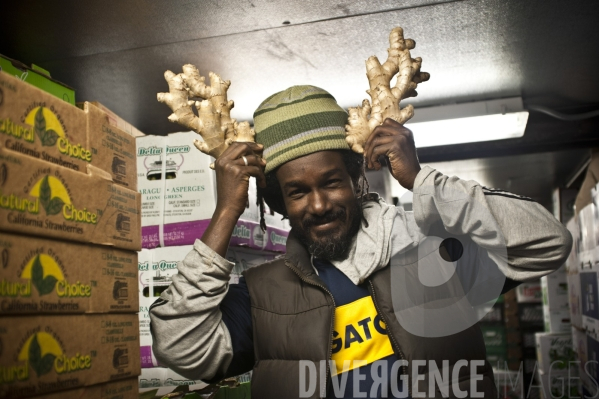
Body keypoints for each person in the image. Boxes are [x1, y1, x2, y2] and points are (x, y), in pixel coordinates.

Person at [149, 86, 572, 398]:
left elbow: (547, 242)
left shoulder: (434, 258)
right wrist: (226, 212)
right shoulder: (264, 296)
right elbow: (179, 348)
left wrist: (421, 180)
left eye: (331, 182)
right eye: (297, 191)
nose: (317, 205)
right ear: (279, 203)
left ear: (356, 179)